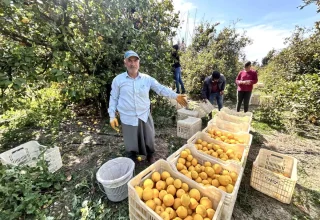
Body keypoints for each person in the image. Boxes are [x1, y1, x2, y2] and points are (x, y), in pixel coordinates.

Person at [108, 50, 188, 164]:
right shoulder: (118, 80)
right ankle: (132, 157)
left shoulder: (147, 79)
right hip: (128, 117)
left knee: (149, 138)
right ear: (125, 62)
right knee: (131, 140)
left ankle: (150, 154)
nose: (132, 64)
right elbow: (113, 98)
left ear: (139, 63)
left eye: (135, 61)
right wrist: (112, 116)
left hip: (144, 115)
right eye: (129, 61)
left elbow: (160, 88)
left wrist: (175, 96)